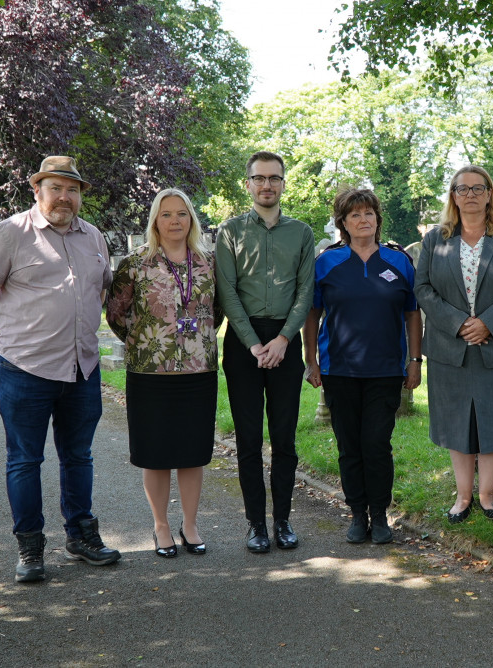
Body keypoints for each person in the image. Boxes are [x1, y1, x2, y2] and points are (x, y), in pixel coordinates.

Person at [0, 155, 121, 583]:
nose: (64, 197)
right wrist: (21, 333)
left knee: (79, 456)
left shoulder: (95, 238)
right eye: (55, 188)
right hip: (25, 370)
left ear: (80, 197)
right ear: (37, 191)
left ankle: (81, 536)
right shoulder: (9, 234)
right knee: (24, 460)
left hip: (83, 369)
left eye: (72, 190)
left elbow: (100, 292)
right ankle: (31, 548)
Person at [414, 165, 493, 524]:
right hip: (450, 348)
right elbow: (423, 288)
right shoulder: (435, 239)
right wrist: (460, 324)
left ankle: (487, 494)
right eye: (462, 188)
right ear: (453, 196)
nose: (470, 194)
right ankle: (463, 495)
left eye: (477, 188)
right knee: (457, 421)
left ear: (489, 195)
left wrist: (488, 323)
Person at [303, 189, 422, 544]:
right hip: (339, 371)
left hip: (386, 370)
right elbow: (312, 314)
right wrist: (311, 360)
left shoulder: (398, 261)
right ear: (343, 222)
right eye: (355, 215)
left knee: (376, 444)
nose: (363, 219)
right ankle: (357, 513)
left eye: (369, 213)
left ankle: (380, 515)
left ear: (377, 219)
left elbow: (413, 313)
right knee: (349, 445)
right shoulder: (327, 262)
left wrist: (414, 361)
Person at [106, 188, 220, 558]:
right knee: (155, 452)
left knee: (192, 451)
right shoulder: (136, 263)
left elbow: (217, 310)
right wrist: (147, 342)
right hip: (149, 373)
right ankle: (161, 526)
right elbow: (115, 313)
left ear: (192, 220)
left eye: (182, 214)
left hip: (198, 371)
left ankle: (190, 524)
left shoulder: (207, 261)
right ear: (155, 219)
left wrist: (196, 341)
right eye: (166, 214)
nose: (175, 221)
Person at [216, 151, 315, 553]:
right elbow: (227, 291)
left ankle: (283, 521)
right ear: (248, 185)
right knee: (249, 440)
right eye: (259, 178)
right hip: (244, 344)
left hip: (286, 343)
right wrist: (254, 342)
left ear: (284, 183)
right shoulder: (230, 231)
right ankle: (255, 523)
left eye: (275, 178)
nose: (267, 185)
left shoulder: (302, 233)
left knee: (285, 438)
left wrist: (284, 339)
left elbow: (306, 291)